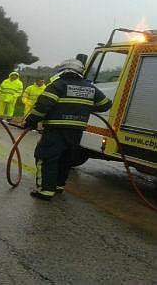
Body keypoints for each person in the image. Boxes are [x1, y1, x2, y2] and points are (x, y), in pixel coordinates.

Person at [23, 58, 112, 200]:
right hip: (76, 131)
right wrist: (85, 107)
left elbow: (43, 106)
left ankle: (45, 191)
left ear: (63, 70)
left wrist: (31, 121)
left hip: (55, 129)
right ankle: (58, 186)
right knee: (66, 158)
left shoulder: (58, 85)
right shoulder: (90, 87)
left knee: (46, 157)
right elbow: (106, 104)